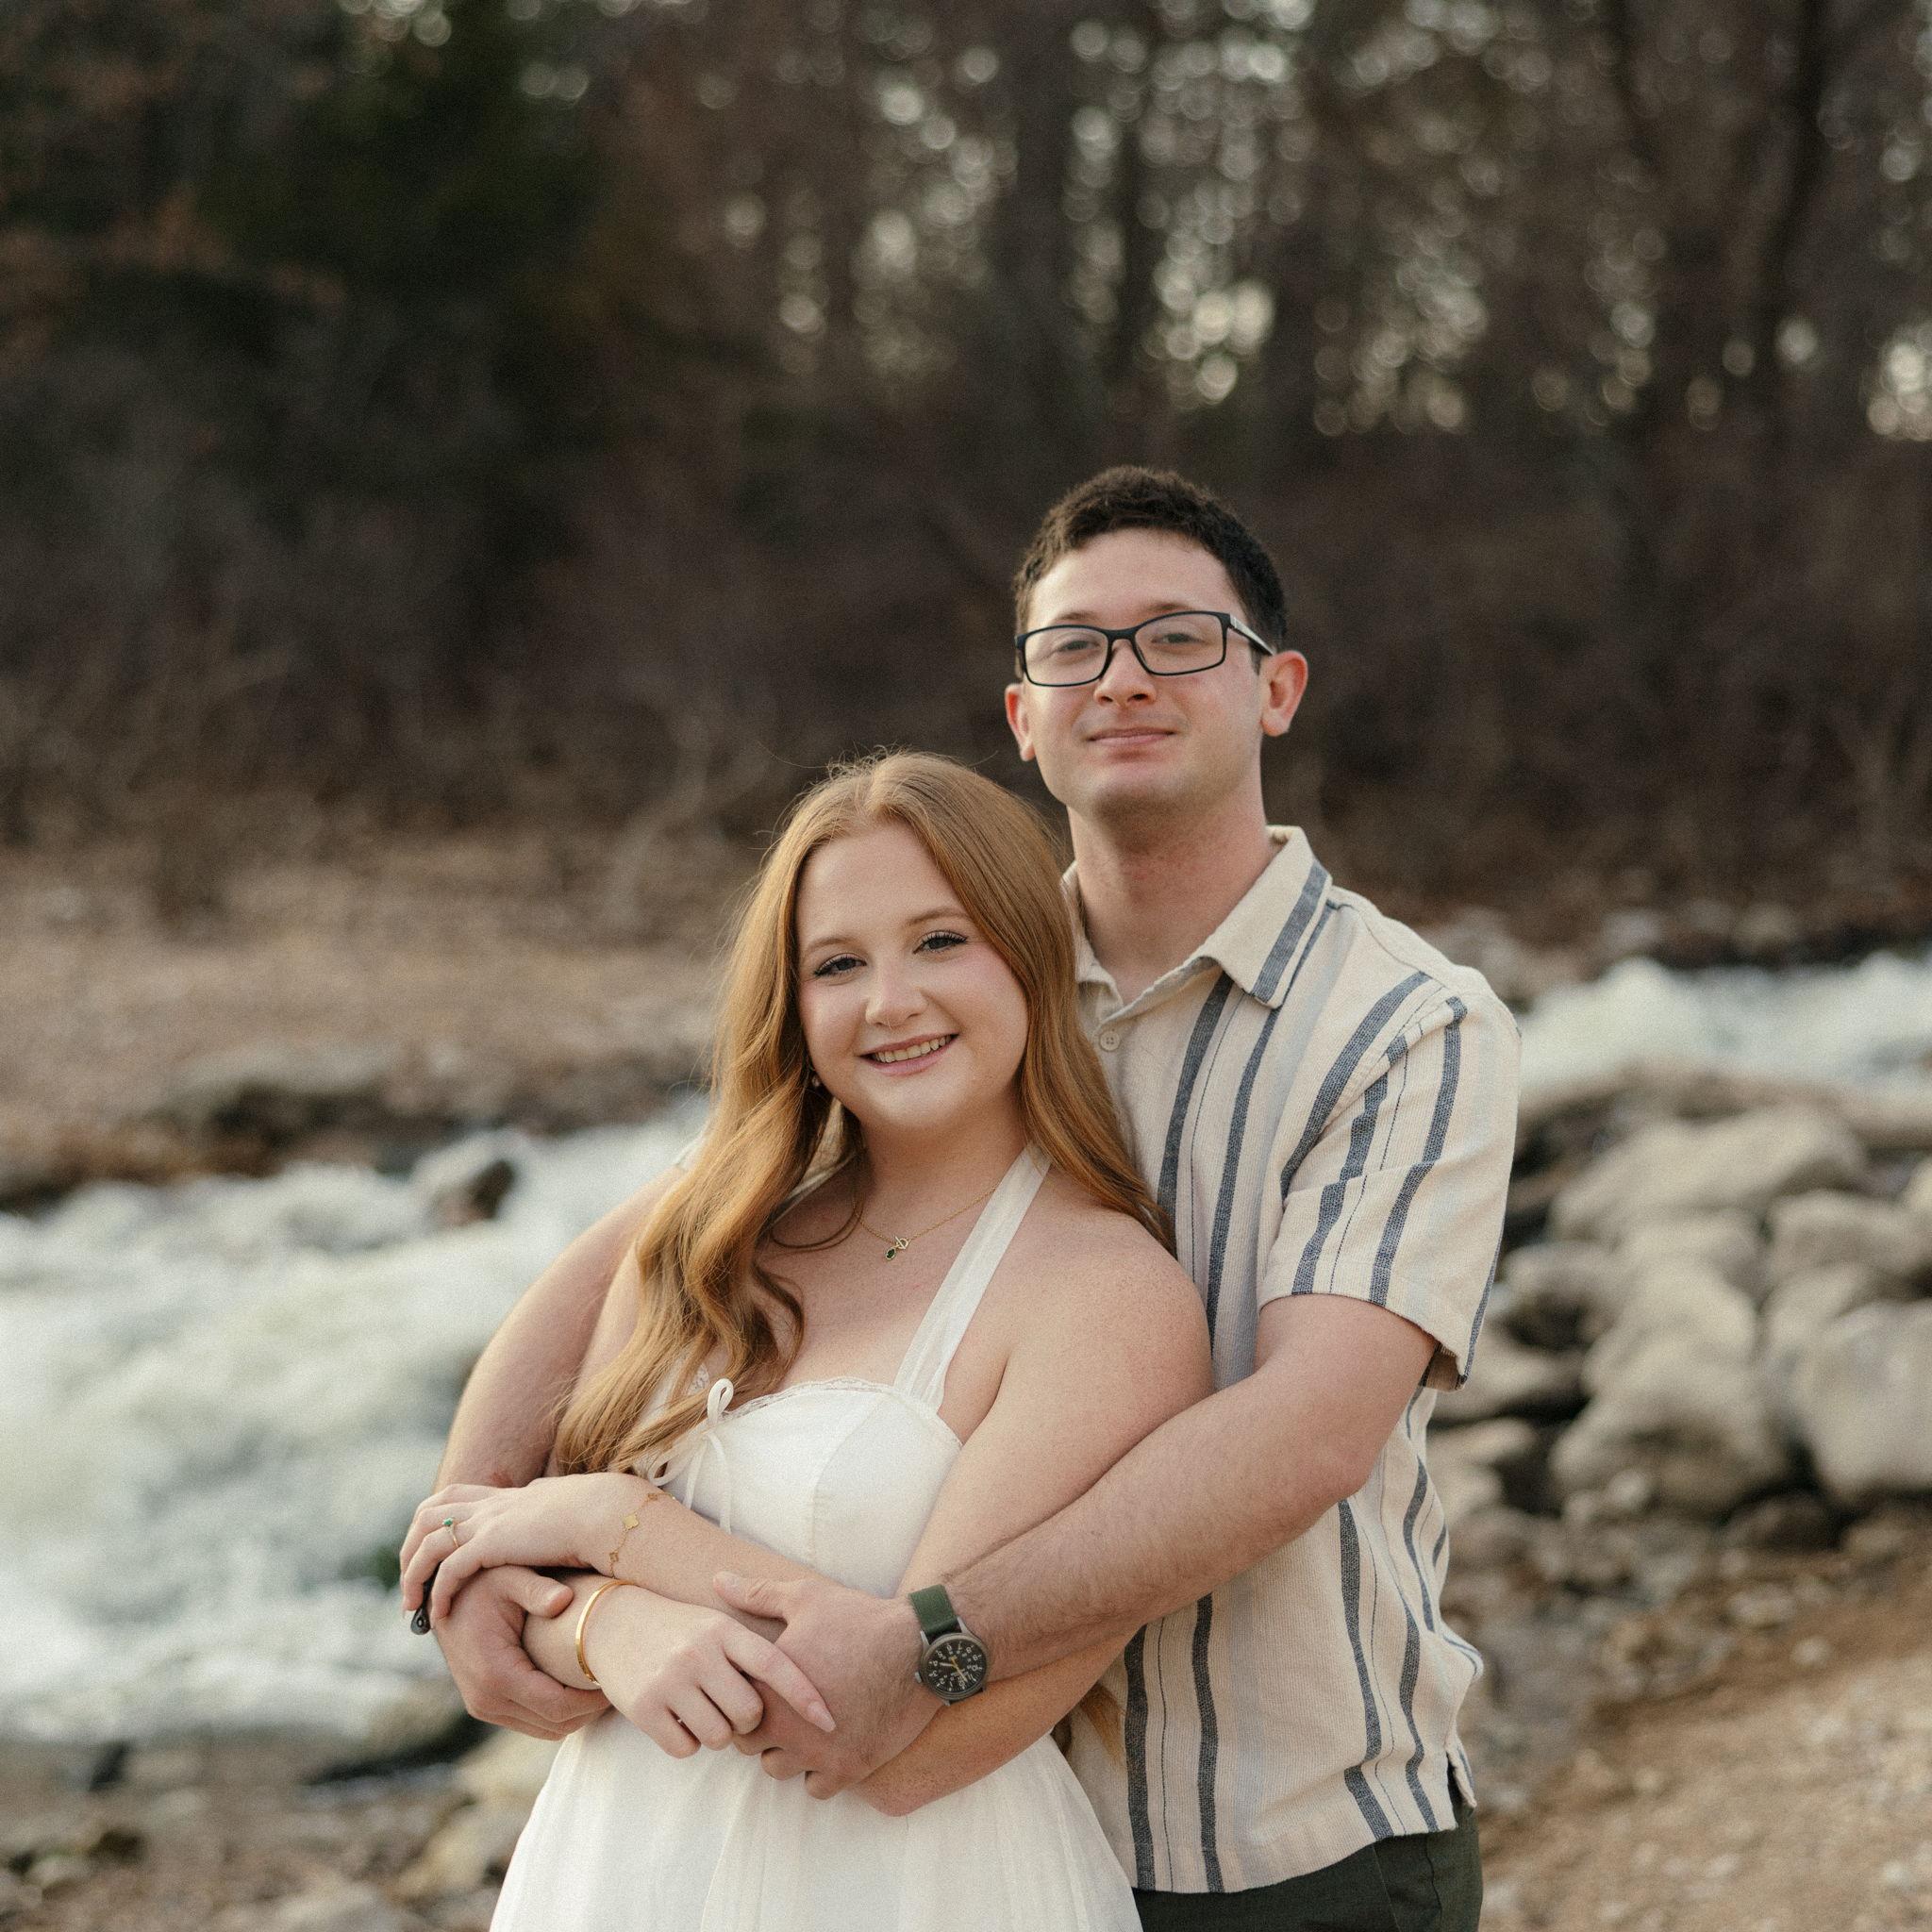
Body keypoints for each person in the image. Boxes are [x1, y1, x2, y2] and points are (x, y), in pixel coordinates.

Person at [417, 467, 1521, 1930]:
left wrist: (915, 1641)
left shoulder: (1403, 1027)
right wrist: (475, 1536)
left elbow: (1309, 1430)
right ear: (1022, 716)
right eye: (1075, 648)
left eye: (1179, 638)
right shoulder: (958, 958)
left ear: (1276, 689)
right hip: (976, 1819)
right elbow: (650, 1238)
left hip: (1272, 1834)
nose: (1122, 678)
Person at [397, 751, 1211, 1928]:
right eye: (837, 963)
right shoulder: (708, 1237)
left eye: (940, 941)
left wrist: (609, 1525)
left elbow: (882, 1710)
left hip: (914, 1887)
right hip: (616, 1871)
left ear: (1029, 955)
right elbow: (509, 1577)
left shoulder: (1105, 1294)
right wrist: (605, 1622)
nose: (890, 1001)